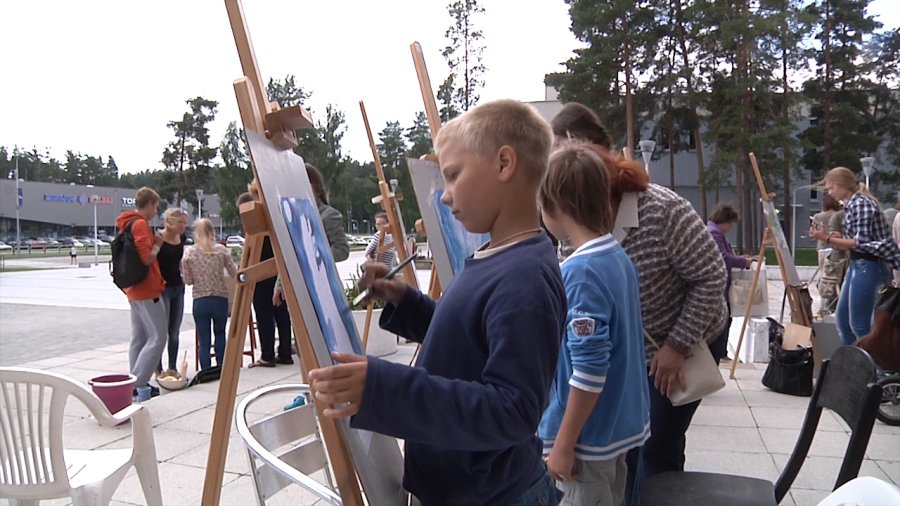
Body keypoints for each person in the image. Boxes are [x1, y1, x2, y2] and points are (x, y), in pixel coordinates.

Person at [308, 99, 567, 505]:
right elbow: (469, 341)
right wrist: (405, 301)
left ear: (504, 164)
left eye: (453, 175)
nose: (445, 196)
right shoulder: (500, 255)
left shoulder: (525, 279)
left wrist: (385, 389)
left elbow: (513, 410)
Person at [551, 102, 727, 505]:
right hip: (630, 349)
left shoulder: (662, 210)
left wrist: (676, 345)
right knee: (628, 444)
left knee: (658, 444)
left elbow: (711, 277)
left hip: (686, 338)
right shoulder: (574, 218)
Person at [538, 142, 650, 505]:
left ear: (554, 205)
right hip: (616, 428)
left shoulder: (581, 271)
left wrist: (563, 443)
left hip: (587, 441)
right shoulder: (617, 257)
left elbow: (589, 369)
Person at [809, 167, 900, 345]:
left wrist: (827, 238)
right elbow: (857, 239)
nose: (830, 193)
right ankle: (853, 358)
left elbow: (860, 242)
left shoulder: (861, 204)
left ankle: (871, 359)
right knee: (843, 322)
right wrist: (836, 237)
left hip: (870, 264)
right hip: (859, 263)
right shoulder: (852, 205)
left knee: (860, 324)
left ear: (843, 185)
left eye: (831, 188)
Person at [115, 187, 167, 399]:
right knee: (158, 337)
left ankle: (135, 383)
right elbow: (146, 258)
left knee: (139, 338)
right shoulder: (140, 224)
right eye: (156, 206)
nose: (156, 211)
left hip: (132, 288)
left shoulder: (125, 223)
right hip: (147, 288)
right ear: (150, 203)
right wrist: (158, 244)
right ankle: (136, 384)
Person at [273, 163, 350, 307]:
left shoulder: (328, 215)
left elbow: (342, 251)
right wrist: (280, 283)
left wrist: (313, 258)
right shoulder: (294, 216)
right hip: (300, 290)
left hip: (324, 288)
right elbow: (291, 254)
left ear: (315, 187)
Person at [236, 189, 294, 368]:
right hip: (277, 273)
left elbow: (252, 252)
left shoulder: (255, 227)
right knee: (281, 313)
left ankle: (267, 355)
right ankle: (285, 352)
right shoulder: (272, 221)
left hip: (261, 274)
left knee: (264, 315)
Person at [182, 218, 237, 370]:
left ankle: (206, 370)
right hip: (220, 298)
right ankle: (221, 367)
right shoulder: (221, 250)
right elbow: (233, 271)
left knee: (204, 338)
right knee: (220, 334)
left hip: (200, 299)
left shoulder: (189, 253)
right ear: (212, 231)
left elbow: (188, 280)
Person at [707, 203, 753, 361]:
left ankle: (722, 352)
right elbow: (723, 257)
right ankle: (720, 354)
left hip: (720, 288)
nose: (730, 227)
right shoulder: (714, 233)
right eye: (731, 223)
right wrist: (743, 262)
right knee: (722, 324)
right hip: (719, 289)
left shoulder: (712, 231)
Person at [156, 207, 188, 377]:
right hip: (163, 288)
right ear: (170, 222)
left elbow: (179, 260)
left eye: (185, 222)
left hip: (178, 286)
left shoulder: (181, 238)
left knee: (174, 332)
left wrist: (183, 274)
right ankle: (158, 369)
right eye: (180, 222)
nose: (183, 226)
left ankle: (172, 368)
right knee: (160, 332)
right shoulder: (159, 237)